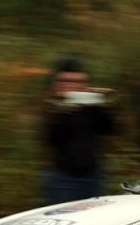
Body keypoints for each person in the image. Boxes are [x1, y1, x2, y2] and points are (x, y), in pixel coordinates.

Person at [43, 56, 115, 204]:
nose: (71, 86)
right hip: (63, 177)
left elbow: (109, 129)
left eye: (77, 82)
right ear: (57, 84)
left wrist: (100, 103)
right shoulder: (52, 107)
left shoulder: (90, 107)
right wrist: (66, 108)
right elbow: (51, 138)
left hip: (92, 175)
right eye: (66, 81)